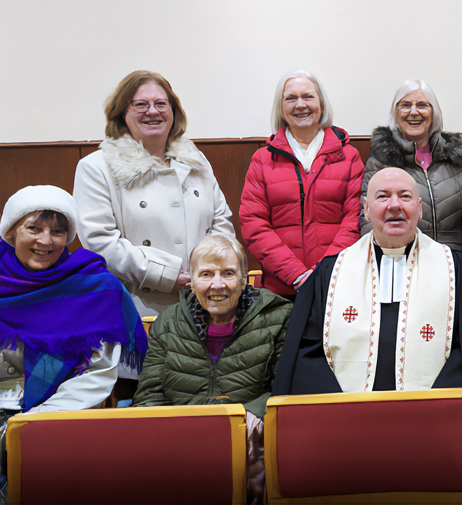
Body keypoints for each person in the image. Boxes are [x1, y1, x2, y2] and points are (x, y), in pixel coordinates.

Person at [273, 167, 462, 397]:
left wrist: (431, 406)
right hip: (347, 418)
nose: (395, 205)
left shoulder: (457, 270)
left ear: (420, 209)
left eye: (405, 196)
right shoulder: (331, 273)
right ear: (366, 210)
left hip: (433, 415)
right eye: (383, 196)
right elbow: (308, 354)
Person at [1, 186, 147, 501]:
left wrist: (31, 421)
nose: (45, 240)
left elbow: (98, 374)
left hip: (63, 416)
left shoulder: (96, 286)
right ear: (11, 232)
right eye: (34, 228)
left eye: (57, 231)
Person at [134, 234, 291, 504]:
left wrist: (255, 412)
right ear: (191, 280)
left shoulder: (278, 316)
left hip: (250, 439)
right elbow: (149, 395)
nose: (217, 285)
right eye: (206, 274)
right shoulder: (168, 322)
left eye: (228, 273)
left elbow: (287, 387)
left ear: (244, 279)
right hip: (182, 438)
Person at [73, 70, 235, 317]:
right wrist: (167, 274)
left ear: (173, 112)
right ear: (122, 113)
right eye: (140, 104)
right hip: (139, 306)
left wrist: (209, 272)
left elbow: (221, 222)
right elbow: (101, 242)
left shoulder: (196, 160)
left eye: (161, 103)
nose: (152, 111)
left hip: (204, 299)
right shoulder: (96, 167)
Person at [240, 70, 364, 297]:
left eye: (308, 97)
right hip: (280, 289)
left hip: (337, 286)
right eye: (290, 98)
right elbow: (253, 224)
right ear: (280, 107)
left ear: (321, 103)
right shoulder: (262, 159)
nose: (300, 104)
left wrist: (322, 273)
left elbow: (354, 221)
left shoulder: (349, 156)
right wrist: (296, 275)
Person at [360, 80, 462, 251]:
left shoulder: (456, 159)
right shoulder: (380, 162)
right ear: (396, 113)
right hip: (402, 257)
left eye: (422, 105)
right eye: (405, 105)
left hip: (453, 258)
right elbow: (368, 220)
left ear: (434, 112)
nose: (414, 112)